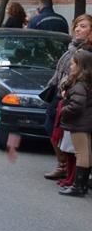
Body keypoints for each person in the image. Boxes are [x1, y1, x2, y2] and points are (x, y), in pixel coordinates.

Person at [42, 15, 92, 182]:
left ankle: (75, 175)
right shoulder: (72, 47)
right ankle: (64, 165)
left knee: (74, 141)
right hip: (61, 93)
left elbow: (82, 75)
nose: (78, 29)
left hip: (76, 96)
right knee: (53, 130)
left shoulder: (87, 51)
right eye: (77, 25)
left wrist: (68, 87)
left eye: (83, 26)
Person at [57, 49, 92, 197]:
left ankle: (78, 186)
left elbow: (77, 105)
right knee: (86, 152)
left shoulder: (79, 84)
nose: (70, 67)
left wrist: (64, 109)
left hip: (80, 123)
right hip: (86, 121)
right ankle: (82, 185)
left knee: (81, 153)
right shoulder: (87, 82)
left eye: (72, 64)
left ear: (80, 66)